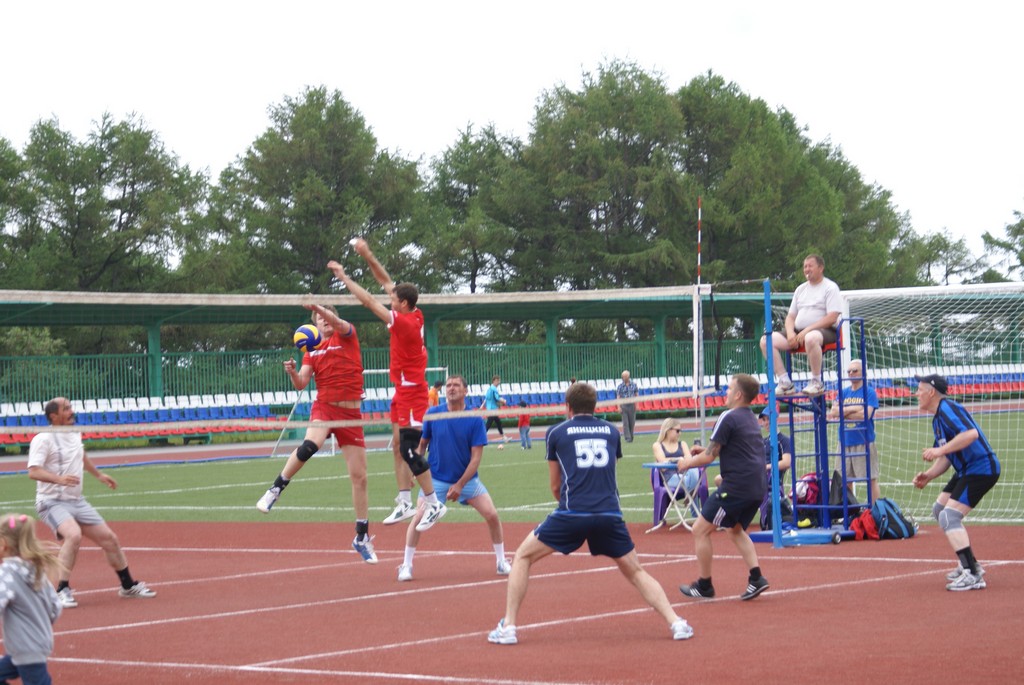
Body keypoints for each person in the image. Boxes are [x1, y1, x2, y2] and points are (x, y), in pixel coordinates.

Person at [488, 382, 693, 645]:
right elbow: (609, 473)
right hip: (609, 513)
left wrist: (569, 508)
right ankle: (676, 622)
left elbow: (555, 485)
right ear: (595, 405)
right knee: (635, 571)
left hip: (572, 513)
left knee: (522, 557)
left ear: (568, 406)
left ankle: (509, 627)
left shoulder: (556, 433)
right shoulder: (611, 431)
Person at [329, 238, 447, 531]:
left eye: (394, 300)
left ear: (403, 305)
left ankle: (433, 503)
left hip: (413, 392)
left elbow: (368, 301)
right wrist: (367, 254)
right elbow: (384, 281)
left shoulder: (405, 323)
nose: (390, 300)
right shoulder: (413, 311)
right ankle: (405, 501)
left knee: (409, 450)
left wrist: (344, 278)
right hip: (401, 391)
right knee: (397, 447)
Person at [255, 302, 377, 564]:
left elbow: (338, 321)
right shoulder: (311, 350)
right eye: (320, 319)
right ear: (315, 325)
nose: (326, 321)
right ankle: (276, 489)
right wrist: (291, 372)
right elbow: (301, 383)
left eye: (328, 317)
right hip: (324, 408)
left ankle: (361, 536)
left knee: (360, 477)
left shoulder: (347, 336)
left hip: (350, 414)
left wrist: (322, 309)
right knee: (311, 445)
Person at [27, 398, 156, 608]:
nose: (71, 411)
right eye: (66, 409)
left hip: (77, 501)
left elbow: (81, 456)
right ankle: (61, 590)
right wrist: (59, 479)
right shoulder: (43, 439)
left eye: (70, 407)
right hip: (51, 502)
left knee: (109, 539)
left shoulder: (75, 433)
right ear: (53, 416)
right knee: (73, 534)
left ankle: (127, 585)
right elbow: (33, 472)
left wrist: (99, 475)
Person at [397, 375, 511, 581]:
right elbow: (422, 445)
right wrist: (414, 470)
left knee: (492, 515)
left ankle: (502, 562)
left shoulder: (474, 418)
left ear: (465, 391)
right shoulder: (433, 413)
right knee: (418, 518)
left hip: (468, 481)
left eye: (456, 385)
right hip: (436, 479)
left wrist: (460, 485)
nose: (451, 388)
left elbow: (476, 458)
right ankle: (406, 565)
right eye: (448, 385)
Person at [676, 374, 770, 601]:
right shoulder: (749, 418)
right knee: (735, 529)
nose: (725, 393)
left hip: (737, 486)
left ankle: (705, 585)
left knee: (700, 529)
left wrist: (687, 462)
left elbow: (709, 457)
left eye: (729, 389)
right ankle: (756, 578)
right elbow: (724, 449)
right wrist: (705, 450)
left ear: (738, 394)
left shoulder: (728, 416)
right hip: (757, 486)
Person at [912, 374, 1001, 591]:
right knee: (939, 509)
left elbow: (970, 434)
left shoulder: (947, 407)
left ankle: (972, 574)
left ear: (931, 392)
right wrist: (929, 475)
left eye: (919, 389)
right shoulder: (938, 418)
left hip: (981, 467)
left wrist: (940, 449)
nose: (916, 394)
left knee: (950, 516)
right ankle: (969, 564)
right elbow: (946, 456)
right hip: (966, 469)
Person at [759, 254, 843, 396]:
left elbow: (832, 317)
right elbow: (791, 317)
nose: (807, 269)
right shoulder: (800, 289)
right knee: (765, 340)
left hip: (824, 331)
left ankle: (817, 382)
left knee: (810, 337)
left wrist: (808, 330)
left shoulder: (830, 287)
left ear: (820, 268)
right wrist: (791, 333)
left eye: (810, 266)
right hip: (799, 331)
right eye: (805, 266)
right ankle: (785, 382)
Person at [0, 513, 62, 685]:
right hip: (37, 641)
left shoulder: (7, 573)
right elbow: (55, 607)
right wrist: (38, 624)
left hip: (25, 647)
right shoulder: (37, 571)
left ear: (3, 544)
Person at [827, 359, 881, 502]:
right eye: (849, 371)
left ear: (863, 372)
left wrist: (843, 411)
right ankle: (852, 510)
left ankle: (876, 510)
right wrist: (854, 408)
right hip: (844, 441)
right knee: (844, 480)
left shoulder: (869, 392)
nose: (851, 374)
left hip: (864, 440)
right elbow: (833, 412)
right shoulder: (843, 392)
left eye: (855, 370)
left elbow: (865, 415)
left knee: (870, 479)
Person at [652, 418, 694, 492]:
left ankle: (691, 495)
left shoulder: (683, 444)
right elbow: (663, 463)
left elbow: (689, 459)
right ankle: (691, 495)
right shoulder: (657, 445)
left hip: (685, 475)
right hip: (670, 477)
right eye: (677, 431)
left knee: (694, 472)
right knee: (693, 481)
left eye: (680, 431)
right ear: (668, 430)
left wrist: (680, 460)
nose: (679, 433)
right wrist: (678, 459)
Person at [483, 375, 509, 444]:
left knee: (497, 422)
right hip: (493, 409)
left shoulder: (489, 389)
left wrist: (482, 406)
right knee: (489, 424)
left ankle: (503, 436)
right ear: (494, 381)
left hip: (490, 409)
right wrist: (503, 401)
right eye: (498, 381)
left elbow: (486, 399)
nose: (499, 382)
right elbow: (497, 398)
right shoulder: (494, 389)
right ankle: (481, 436)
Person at [615, 370, 639, 442]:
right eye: (623, 377)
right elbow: (618, 397)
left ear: (628, 376)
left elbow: (636, 395)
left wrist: (637, 405)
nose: (624, 378)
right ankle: (627, 438)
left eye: (626, 376)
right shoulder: (620, 386)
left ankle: (631, 436)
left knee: (632, 422)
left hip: (632, 405)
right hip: (624, 405)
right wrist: (618, 407)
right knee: (625, 423)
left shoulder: (634, 385)